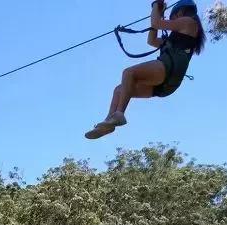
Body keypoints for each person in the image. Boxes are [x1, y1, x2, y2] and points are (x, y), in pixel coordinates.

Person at [85, 1, 205, 139]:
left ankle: (119, 114)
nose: (172, 21)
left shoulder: (189, 22)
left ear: (180, 12)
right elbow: (151, 40)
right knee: (120, 90)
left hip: (169, 68)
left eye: (172, 18)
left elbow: (156, 23)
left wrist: (156, 6)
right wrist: (159, 14)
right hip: (166, 85)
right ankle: (108, 123)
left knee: (129, 73)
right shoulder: (176, 38)